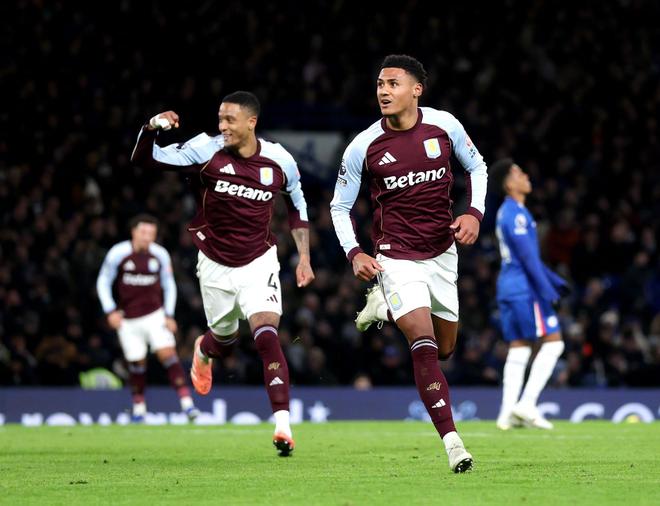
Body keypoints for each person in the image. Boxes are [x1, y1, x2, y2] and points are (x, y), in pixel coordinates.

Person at [131, 91, 314, 456]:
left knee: (266, 334)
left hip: (259, 260)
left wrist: (304, 257)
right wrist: (151, 127)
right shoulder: (205, 150)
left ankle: (283, 425)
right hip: (214, 263)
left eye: (230, 120)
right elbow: (146, 159)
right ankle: (204, 350)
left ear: (251, 122)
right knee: (224, 340)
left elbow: (297, 203)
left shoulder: (279, 160)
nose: (223, 126)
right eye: (220, 119)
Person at [330, 55, 488, 473]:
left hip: (442, 254)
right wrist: (355, 252)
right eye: (380, 84)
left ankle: (383, 306)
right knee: (423, 342)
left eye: (393, 84)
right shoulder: (363, 146)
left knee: (446, 349)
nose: (383, 91)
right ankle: (454, 444)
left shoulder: (444, 125)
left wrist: (474, 213)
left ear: (416, 89)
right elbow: (339, 206)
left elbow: (477, 166)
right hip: (396, 257)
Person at [96, 214, 199, 422]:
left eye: (151, 233)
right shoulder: (118, 253)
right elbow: (103, 281)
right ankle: (139, 409)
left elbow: (169, 285)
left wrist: (168, 314)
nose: (147, 237)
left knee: (168, 355)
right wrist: (110, 311)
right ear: (133, 232)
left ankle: (188, 405)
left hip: (155, 315)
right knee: (136, 363)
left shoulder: (159, 254)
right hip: (128, 319)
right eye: (143, 232)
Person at [489, 159, 568, 430]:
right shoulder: (517, 214)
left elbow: (528, 257)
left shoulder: (508, 212)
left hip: (509, 286)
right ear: (509, 184)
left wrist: (555, 280)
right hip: (525, 289)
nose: (526, 176)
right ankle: (527, 403)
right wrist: (548, 289)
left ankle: (506, 414)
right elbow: (528, 258)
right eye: (519, 173)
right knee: (554, 343)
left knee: (520, 346)